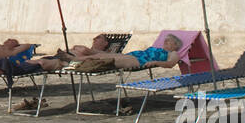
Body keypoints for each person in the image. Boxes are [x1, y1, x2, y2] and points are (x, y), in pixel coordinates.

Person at [35, 34, 183, 72]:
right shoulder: (159, 48)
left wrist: (156, 62)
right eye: (166, 40)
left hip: (138, 61)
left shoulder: (173, 54)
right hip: (134, 55)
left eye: (169, 41)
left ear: (176, 45)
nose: (165, 42)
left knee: (105, 61)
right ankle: (70, 58)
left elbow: (170, 65)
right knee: (100, 56)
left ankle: (70, 62)